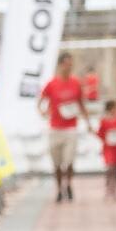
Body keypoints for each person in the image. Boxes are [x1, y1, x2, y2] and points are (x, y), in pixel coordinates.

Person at [36, 52, 86, 204]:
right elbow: (41, 101)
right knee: (57, 163)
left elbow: (81, 103)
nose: (69, 67)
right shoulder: (52, 84)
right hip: (55, 128)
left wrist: (88, 122)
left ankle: (68, 184)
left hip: (71, 128)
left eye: (71, 64)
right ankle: (59, 189)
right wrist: (42, 111)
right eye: (66, 64)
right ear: (60, 65)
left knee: (69, 160)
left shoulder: (76, 83)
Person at [96, 99, 116, 201]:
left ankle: (114, 190)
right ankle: (108, 189)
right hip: (108, 148)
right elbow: (100, 134)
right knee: (110, 168)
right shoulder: (104, 121)